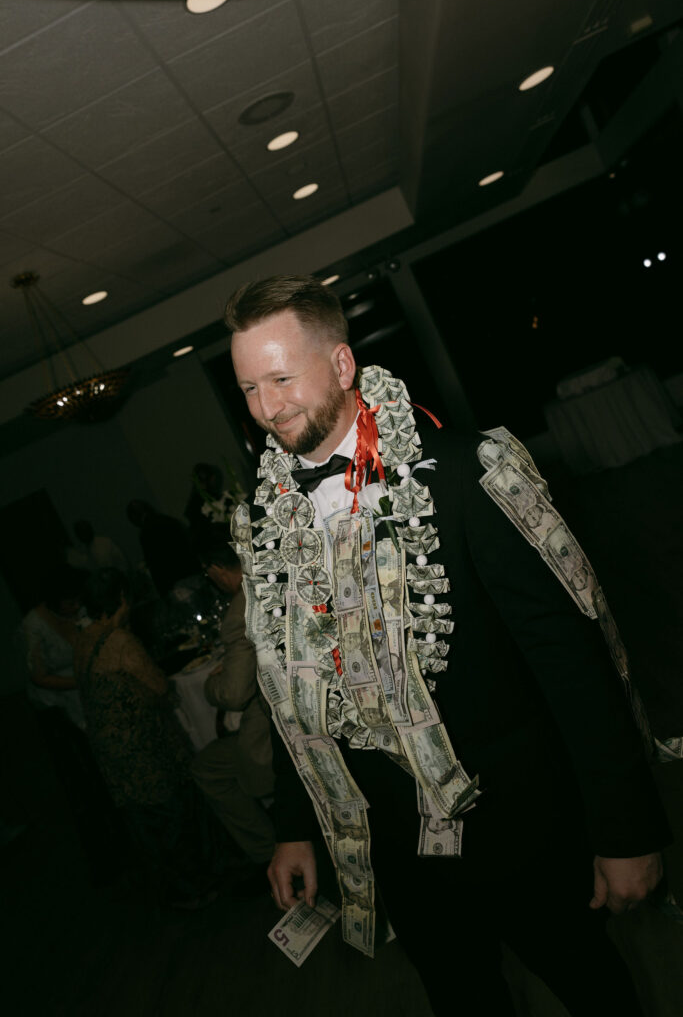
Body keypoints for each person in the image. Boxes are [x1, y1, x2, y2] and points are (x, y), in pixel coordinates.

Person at [224, 275, 672, 1017]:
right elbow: (286, 686)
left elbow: (571, 663)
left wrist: (625, 831)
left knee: (592, 988)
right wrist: (295, 830)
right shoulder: (265, 523)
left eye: (280, 378)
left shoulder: (466, 472)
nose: (267, 409)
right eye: (248, 388)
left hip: (518, 823)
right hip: (393, 846)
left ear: (340, 366)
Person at [73, 567, 216, 907]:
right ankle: (195, 886)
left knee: (145, 820)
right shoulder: (119, 640)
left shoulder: (83, 638)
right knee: (173, 814)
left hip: (108, 748)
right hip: (142, 745)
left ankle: (175, 888)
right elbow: (158, 685)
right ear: (122, 599)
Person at [190, 535, 275, 889]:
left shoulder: (239, 610)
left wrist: (211, 687)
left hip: (271, 733)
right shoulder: (271, 577)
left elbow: (236, 695)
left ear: (215, 570)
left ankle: (267, 852)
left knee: (205, 767)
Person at [22, 563, 87, 729]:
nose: (77, 606)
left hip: (85, 676)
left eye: (78, 601)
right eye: (71, 603)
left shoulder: (79, 611)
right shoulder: (34, 626)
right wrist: (79, 682)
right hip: (58, 692)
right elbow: (39, 677)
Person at [126, 500, 199, 598]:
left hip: (176, 581)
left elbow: (156, 566)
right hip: (192, 570)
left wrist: (163, 592)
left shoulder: (146, 533)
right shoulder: (167, 520)